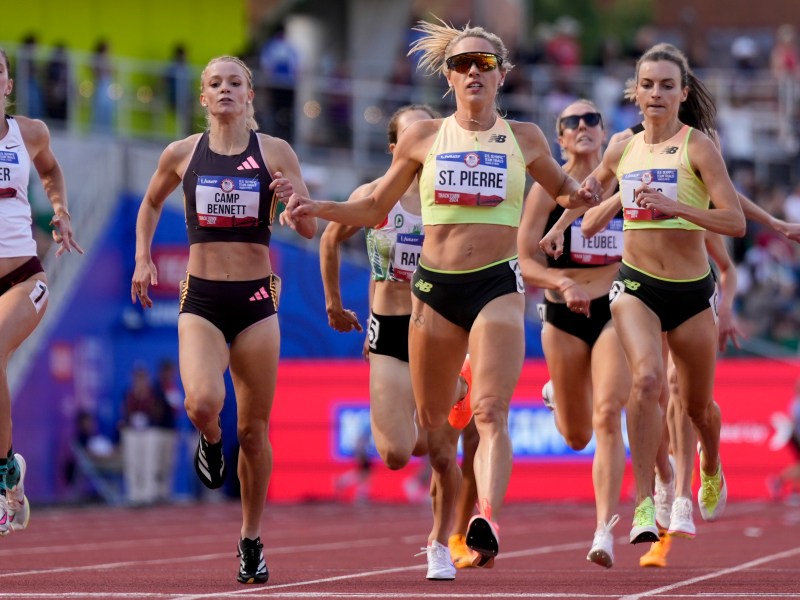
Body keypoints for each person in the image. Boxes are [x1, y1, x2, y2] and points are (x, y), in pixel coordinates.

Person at [284, 17, 601, 566]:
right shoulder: (423, 138)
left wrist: (586, 191)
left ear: (502, 75)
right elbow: (373, 209)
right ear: (448, 77)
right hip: (433, 289)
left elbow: (566, 193)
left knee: (492, 412)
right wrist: (319, 206)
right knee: (430, 428)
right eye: (462, 63)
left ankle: (485, 517)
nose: (473, 71)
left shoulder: (524, 138)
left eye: (484, 63)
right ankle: (453, 421)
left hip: (497, 284)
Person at [131, 55, 316, 584]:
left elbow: (305, 229)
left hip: (258, 300)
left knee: (255, 433)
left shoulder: (275, 152)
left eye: (236, 82)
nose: (226, 89)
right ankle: (210, 438)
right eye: (216, 83)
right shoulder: (182, 153)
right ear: (204, 98)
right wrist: (143, 257)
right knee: (200, 401)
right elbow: (148, 205)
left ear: (250, 94)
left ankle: (250, 538)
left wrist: (295, 205)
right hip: (203, 298)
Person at [578, 42, 745, 545]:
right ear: (635, 92)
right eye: (647, 85)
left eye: (666, 86)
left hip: (692, 292)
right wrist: (607, 205)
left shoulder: (698, 147)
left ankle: (709, 463)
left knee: (697, 408)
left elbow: (734, 221)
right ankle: (646, 503)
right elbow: (586, 222)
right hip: (636, 286)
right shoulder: (621, 149)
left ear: (682, 93)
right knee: (647, 380)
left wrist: (678, 208)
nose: (656, 93)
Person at [320, 103, 469, 580]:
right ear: (395, 147)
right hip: (388, 328)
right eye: (413, 135)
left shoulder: (450, 197)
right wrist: (334, 304)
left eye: (431, 132)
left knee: (444, 454)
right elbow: (329, 240)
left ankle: (439, 544)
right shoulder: (372, 197)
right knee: (398, 454)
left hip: (441, 329)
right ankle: (442, 403)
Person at [518, 99, 632, 568]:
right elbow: (525, 260)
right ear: (559, 137)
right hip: (562, 313)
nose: (583, 127)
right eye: (572, 122)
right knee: (575, 434)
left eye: (591, 120)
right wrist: (560, 282)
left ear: (604, 132)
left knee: (608, 414)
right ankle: (556, 395)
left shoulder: (625, 180)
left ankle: (604, 529)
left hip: (614, 307)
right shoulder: (547, 190)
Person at [0, 47, 82, 533]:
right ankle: (10, 470)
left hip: (24, 277)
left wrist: (61, 211)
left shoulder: (28, 133)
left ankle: (0, 475)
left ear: (8, 84)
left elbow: (51, 171)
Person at [118, 363, 161, 506]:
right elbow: (124, 411)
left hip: (148, 430)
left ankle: (148, 493)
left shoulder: (152, 393)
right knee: (133, 462)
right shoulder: (129, 393)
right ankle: (134, 494)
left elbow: (157, 411)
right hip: (132, 431)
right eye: (137, 378)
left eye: (143, 378)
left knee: (148, 462)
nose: (140, 380)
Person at [767, 379, 800, 502]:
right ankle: (779, 481)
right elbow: (794, 422)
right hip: (797, 437)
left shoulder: (796, 402)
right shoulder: (797, 404)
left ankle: (793, 490)